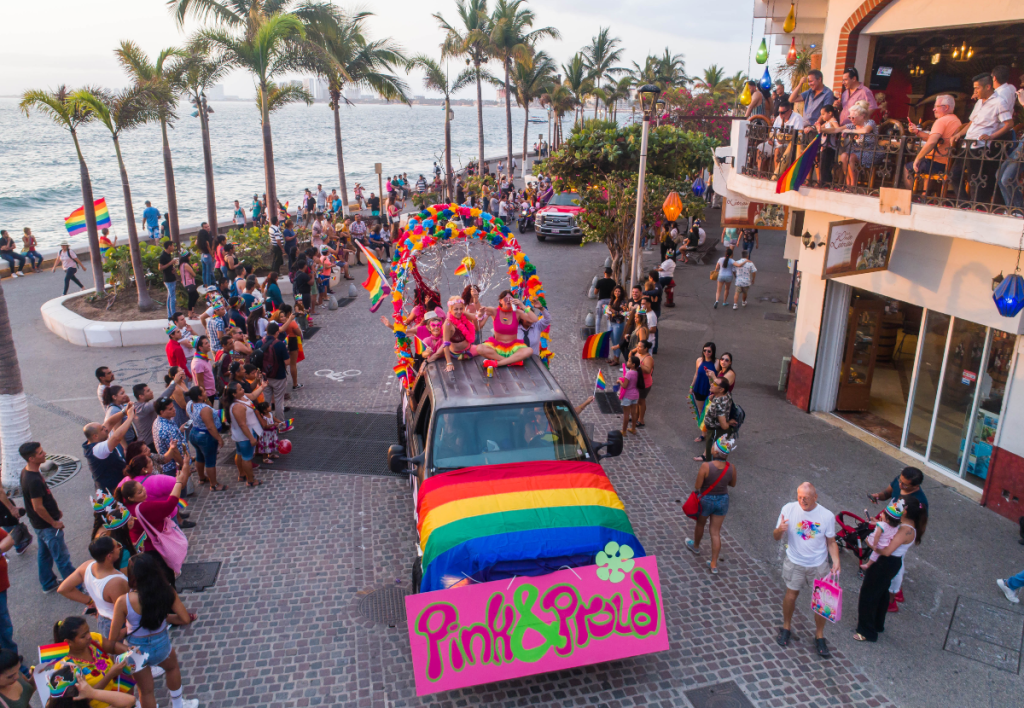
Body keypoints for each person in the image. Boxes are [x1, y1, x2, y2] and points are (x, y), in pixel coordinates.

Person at [106, 554, 198, 708]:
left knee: (146, 691)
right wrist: (165, 617)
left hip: (135, 650)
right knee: (172, 667)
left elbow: (112, 638)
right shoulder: (167, 592)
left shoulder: (124, 601)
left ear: (133, 576)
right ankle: (178, 704)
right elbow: (184, 618)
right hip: (161, 645)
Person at [773, 482, 840, 658]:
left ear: (815, 497)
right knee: (790, 595)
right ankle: (786, 627)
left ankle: (819, 635)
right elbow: (775, 536)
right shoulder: (788, 509)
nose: (803, 501)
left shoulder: (826, 516)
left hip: (818, 565)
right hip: (795, 562)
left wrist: (836, 560)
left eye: (807, 498)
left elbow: (831, 541)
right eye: (800, 497)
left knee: (823, 602)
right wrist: (780, 530)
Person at [854, 498, 924, 643]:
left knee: (869, 595)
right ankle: (877, 624)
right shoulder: (907, 526)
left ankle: (866, 631)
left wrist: (870, 544)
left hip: (885, 563)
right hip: (891, 564)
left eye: (899, 506)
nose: (896, 507)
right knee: (881, 593)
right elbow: (890, 529)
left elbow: (886, 551)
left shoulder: (905, 531)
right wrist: (879, 524)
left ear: (905, 511)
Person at [113, 463, 190, 581]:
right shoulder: (143, 508)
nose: (144, 492)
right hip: (152, 547)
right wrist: (178, 482)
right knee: (165, 575)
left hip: (140, 546)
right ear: (131, 498)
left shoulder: (125, 507)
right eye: (139, 492)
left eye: (142, 488)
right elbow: (169, 505)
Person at [19, 442, 77, 593]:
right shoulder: (33, 480)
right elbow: (38, 506)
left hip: (39, 525)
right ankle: (76, 587)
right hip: (47, 526)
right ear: (31, 458)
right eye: (39, 453)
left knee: (44, 554)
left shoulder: (28, 472)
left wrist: (56, 511)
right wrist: (53, 522)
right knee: (62, 558)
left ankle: (48, 582)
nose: (44, 453)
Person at [868, 465, 928, 608]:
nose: (900, 484)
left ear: (916, 485)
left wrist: (875, 546)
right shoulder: (899, 481)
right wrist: (878, 496)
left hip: (900, 530)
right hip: (892, 524)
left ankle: (892, 596)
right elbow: (888, 493)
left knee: (895, 560)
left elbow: (915, 523)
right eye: (900, 480)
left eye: (904, 484)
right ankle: (893, 593)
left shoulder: (918, 501)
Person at [950, 73, 1014, 204]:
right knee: (954, 174)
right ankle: (963, 203)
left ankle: (976, 206)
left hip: (980, 145)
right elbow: (971, 122)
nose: (975, 91)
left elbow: (1009, 124)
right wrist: (959, 134)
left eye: (977, 88)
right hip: (967, 142)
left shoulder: (999, 102)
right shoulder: (979, 102)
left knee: (976, 179)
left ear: (988, 87)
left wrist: (991, 136)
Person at [57, 535, 129, 644]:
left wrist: (90, 601)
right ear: (109, 556)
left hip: (102, 619)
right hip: (117, 625)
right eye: (117, 546)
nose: (120, 548)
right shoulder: (116, 582)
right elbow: (125, 612)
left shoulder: (87, 566)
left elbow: (63, 589)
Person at [685, 435, 738, 574]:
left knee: (701, 524)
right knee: (715, 532)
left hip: (706, 500)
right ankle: (714, 564)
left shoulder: (706, 466)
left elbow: (698, 486)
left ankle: (696, 546)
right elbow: (732, 484)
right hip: (723, 500)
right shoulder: (731, 467)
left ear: (715, 452)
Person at [903, 95, 961, 188]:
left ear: (946, 107)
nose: (933, 109)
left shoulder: (941, 121)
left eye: (936, 106)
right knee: (926, 165)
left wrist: (918, 159)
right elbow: (935, 139)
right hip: (949, 163)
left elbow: (931, 142)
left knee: (907, 168)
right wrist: (917, 131)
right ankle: (925, 197)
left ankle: (910, 197)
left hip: (937, 162)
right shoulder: (956, 120)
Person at [82, 408, 134, 494]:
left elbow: (110, 423)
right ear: (95, 436)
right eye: (102, 429)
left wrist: (124, 411)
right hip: (111, 492)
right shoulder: (97, 450)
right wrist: (130, 417)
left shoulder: (95, 440)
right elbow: (117, 437)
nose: (105, 429)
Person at [224, 381, 266, 487]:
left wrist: (262, 386)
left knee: (239, 454)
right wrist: (251, 438)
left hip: (239, 435)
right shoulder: (237, 406)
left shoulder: (242, 397)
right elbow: (242, 424)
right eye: (240, 389)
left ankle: (242, 474)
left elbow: (252, 395)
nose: (243, 390)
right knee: (247, 458)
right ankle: (251, 480)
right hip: (245, 436)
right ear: (234, 394)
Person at [837, 100, 880, 187]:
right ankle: (848, 183)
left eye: (853, 117)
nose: (851, 119)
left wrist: (851, 131)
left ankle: (853, 185)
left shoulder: (870, 123)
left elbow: (865, 130)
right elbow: (837, 129)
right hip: (855, 151)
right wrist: (820, 129)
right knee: (844, 156)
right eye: (850, 117)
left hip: (870, 151)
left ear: (862, 115)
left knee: (851, 157)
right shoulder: (852, 125)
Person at [695, 377, 735, 462]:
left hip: (715, 431)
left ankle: (710, 468)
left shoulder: (718, 404)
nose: (712, 384)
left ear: (721, 389)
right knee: (719, 453)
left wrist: (729, 422)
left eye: (715, 384)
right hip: (717, 431)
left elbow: (724, 426)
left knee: (713, 455)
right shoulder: (727, 394)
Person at [859, 499, 903, 572]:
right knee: (876, 555)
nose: (881, 514)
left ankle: (868, 565)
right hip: (886, 544)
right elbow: (883, 525)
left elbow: (877, 535)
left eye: (883, 514)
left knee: (875, 553)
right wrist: (874, 521)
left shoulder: (881, 525)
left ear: (888, 519)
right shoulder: (895, 527)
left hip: (877, 543)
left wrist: (874, 545)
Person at [634, 340, 654, 427]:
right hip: (637, 381)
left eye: (640, 347)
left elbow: (648, 370)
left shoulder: (648, 358)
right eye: (637, 346)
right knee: (637, 400)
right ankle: (636, 416)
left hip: (644, 383)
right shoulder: (638, 354)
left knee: (641, 401)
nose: (638, 348)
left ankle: (641, 420)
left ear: (646, 349)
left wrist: (638, 364)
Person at [156, 240, 178, 319]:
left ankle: (170, 315)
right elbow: (160, 268)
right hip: (168, 279)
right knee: (172, 297)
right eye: (172, 245)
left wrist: (172, 268)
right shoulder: (163, 256)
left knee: (170, 297)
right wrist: (171, 263)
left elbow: (168, 266)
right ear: (169, 246)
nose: (173, 247)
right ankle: (173, 314)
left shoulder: (168, 255)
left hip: (171, 277)